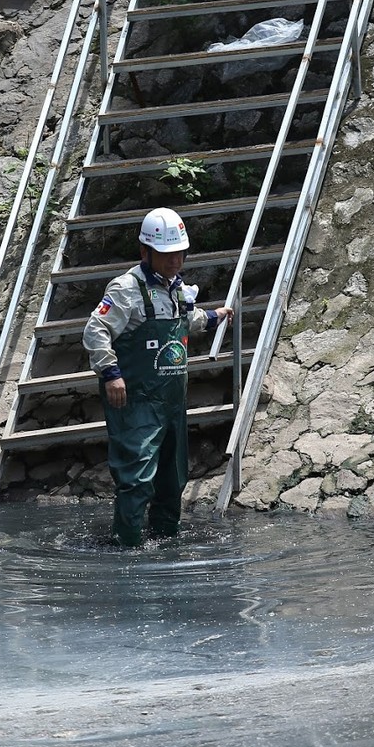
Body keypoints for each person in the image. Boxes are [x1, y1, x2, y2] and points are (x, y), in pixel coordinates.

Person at [82, 207, 234, 547]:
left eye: (179, 253)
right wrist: (110, 373)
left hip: (171, 402)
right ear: (145, 252)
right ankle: (129, 550)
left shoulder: (177, 289)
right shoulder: (125, 289)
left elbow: (188, 319)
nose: (174, 260)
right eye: (166, 254)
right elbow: (95, 330)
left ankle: (165, 543)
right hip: (135, 400)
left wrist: (213, 317)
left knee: (173, 476)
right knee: (136, 478)